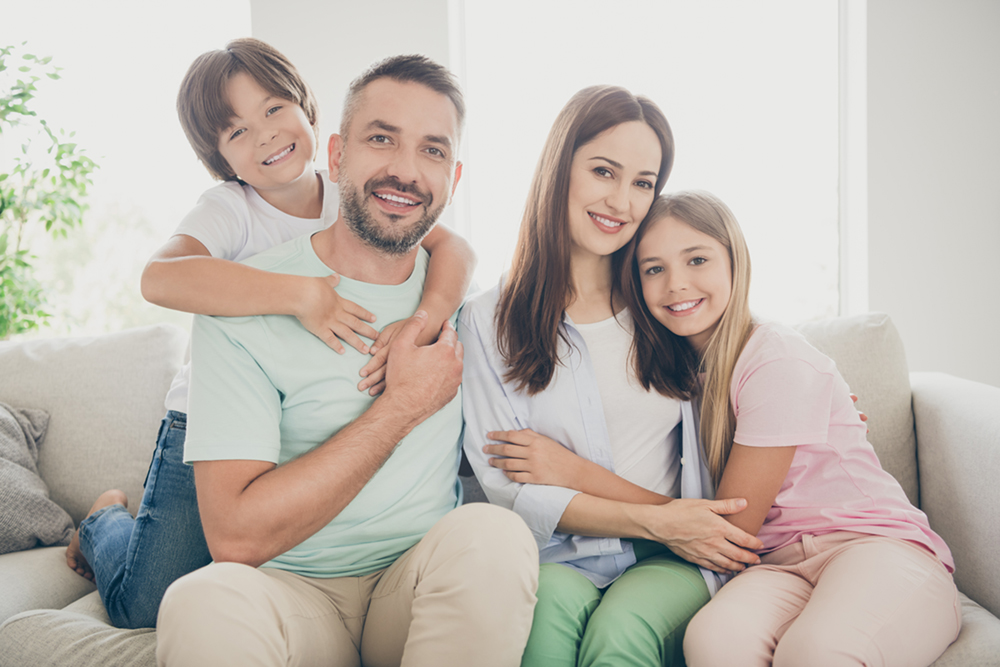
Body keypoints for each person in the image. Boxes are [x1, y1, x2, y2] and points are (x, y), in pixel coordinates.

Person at [63, 38, 476, 630]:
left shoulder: (355, 190)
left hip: (285, 426)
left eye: (274, 109)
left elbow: (454, 247)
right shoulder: (230, 209)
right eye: (236, 132)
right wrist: (299, 294)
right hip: (205, 421)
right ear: (220, 159)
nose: (264, 136)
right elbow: (159, 278)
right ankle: (104, 522)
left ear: (311, 115)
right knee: (146, 603)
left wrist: (428, 317)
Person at [154, 54, 538, 667]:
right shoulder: (239, 300)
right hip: (294, 595)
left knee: (495, 537)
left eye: (432, 151)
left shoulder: (459, 306)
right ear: (336, 157)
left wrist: (424, 320)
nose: (406, 170)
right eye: (381, 138)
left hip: (412, 584)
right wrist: (401, 406)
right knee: (200, 600)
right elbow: (234, 536)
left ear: (454, 178)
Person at [460, 86, 764, 667]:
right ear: (560, 169)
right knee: (541, 635)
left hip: (674, 559)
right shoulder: (486, 319)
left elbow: (747, 346)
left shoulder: (666, 296)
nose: (623, 201)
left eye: (644, 183)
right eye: (605, 171)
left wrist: (811, 392)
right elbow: (511, 489)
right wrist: (658, 518)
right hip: (560, 557)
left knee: (619, 635)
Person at [620, 190, 960, 666]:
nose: (676, 283)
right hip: (778, 565)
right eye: (653, 268)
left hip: (872, 546)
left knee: (818, 653)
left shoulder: (773, 354)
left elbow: (732, 529)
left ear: (735, 262)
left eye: (697, 259)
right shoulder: (669, 373)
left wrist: (572, 475)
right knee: (714, 642)